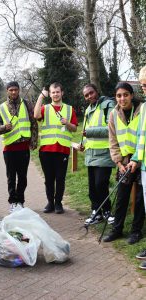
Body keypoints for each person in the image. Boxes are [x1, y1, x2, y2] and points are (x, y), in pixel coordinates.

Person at [102, 82, 144, 244]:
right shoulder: (113, 114)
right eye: (119, 96)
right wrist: (118, 162)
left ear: (132, 95)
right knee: (121, 197)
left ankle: (136, 231)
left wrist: (137, 159)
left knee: (140, 199)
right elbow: (112, 140)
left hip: (141, 160)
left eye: (125, 95)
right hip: (124, 163)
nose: (122, 98)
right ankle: (117, 229)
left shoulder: (142, 111)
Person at [0, 81, 38, 212]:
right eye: (11, 90)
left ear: (19, 90)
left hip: (23, 147)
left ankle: (20, 201)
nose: (13, 92)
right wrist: (4, 128)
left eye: (15, 90)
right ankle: (12, 201)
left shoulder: (27, 104)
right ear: (7, 91)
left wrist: (34, 141)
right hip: (9, 148)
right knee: (11, 177)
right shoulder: (1, 108)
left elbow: (34, 123)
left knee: (22, 177)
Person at [34, 82, 78, 214]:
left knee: (60, 179)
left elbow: (75, 128)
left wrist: (67, 123)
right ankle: (50, 203)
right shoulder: (45, 108)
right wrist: (41, 97)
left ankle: (58, 203)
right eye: (53, 92)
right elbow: (36, 116)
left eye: (57, 92)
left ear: (62, 93)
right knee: (49, 179)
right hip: (46, 150)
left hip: (62, 150)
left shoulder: (70, 109)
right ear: (50, 94)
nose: (55, 94)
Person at [80, 84, 116, 225]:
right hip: (91, 153)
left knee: (101, 184)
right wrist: (82, 142)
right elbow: (85, 129)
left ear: (97, 91)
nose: (89, 96)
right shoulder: (88, 109)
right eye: (86, 95)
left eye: (91, 93)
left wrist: (89, 133)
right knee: (93, 187)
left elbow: (111, 128)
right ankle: (96, 212)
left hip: (105, 152)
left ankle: (107, 211)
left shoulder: (108, 104)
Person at [128, 65, 146, 269]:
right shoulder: (145, 109)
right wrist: (135, 158)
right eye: (142, 86)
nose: (144, 89)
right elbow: (142, 138)